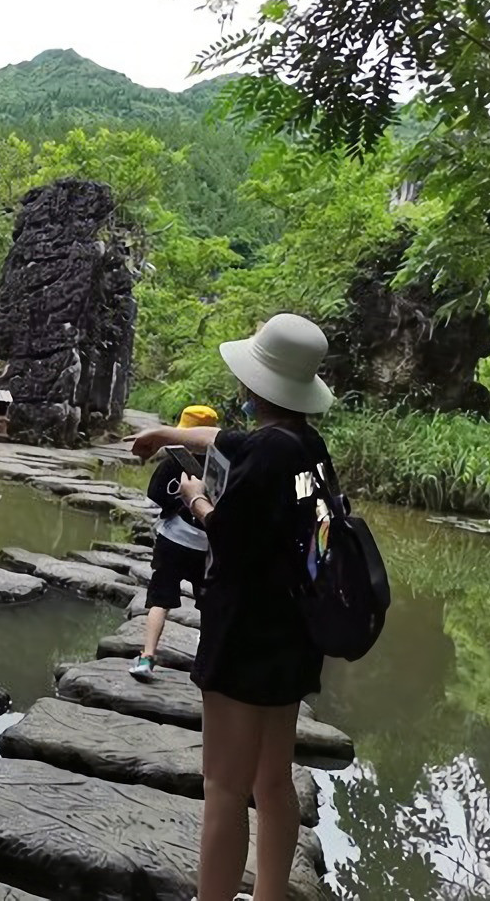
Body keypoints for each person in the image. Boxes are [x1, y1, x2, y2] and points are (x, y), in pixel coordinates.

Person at [130, 313, 335, 901]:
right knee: (273, 783)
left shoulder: (265, 457)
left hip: (245, 636)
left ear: (254, 385)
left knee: (223, 786)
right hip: (294, 633)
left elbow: (230, 538)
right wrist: (168, 435)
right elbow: (228, 441)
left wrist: (196, 500)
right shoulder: (305, 446)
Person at [128, 404, 219, 682]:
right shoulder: (220, 468)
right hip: (207, 547)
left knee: (160, 600)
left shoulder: (171, 463)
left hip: (172, 542)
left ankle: (147, 656)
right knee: (209, 605)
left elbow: (153, 501)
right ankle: (205, 664)